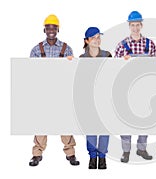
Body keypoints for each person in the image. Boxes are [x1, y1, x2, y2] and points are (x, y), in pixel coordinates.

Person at [29, 14, 79, 166]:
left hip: (61, 93)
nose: (51, 30)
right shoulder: (36, 49)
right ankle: (37, 154)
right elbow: (29, 72)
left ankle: (70, 153)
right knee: (41, 123)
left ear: (58, 29)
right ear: (44, 29)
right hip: (43, 93)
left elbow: (72, 73)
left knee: (64, 123)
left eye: (54, 27)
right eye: (48, 27)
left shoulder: (67, 48)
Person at [114, 10, 156, 163]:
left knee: (144, 119)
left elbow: (155, 67)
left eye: (138, 25)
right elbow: (115, 68)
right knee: (126, 119)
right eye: (133, 25)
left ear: (141, 25)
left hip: (145, 87)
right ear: (129, 26)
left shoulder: (150, 44)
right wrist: (123, 62)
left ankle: (142, 148)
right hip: (126, 87)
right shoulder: (121, 46)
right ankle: (126, 151)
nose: (136, 28)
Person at [79, 27, 112, 169]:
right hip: (89, 99)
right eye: (93, 37)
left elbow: (114, 73)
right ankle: (92, 157)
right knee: (91, 129)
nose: (97, 40)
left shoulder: (107, 55)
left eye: (99, 37)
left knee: (104, 128)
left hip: (104, 97)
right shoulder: (82, 59)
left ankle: (102, 157)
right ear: (86, 41)